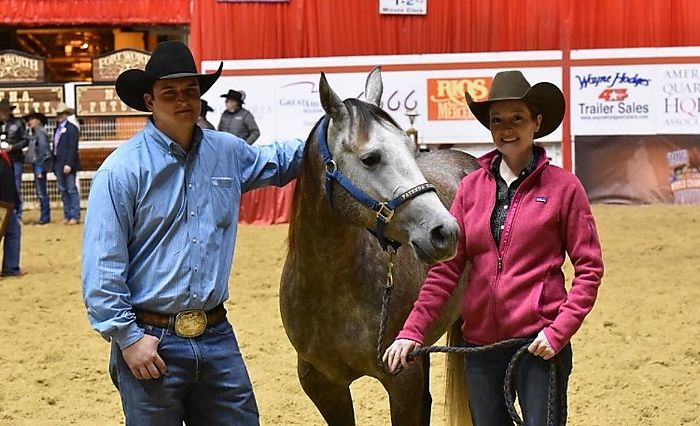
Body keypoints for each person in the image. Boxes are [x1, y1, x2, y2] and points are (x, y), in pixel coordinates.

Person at [81, 40, 304, 425]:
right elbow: (102, 269)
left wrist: (337, 129)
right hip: (150, 340)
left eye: (190, 90)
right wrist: (128, 339)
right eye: (169, 93)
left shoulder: (228, 152)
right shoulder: (121, 171)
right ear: (149, 100)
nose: (183, 100)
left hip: (216, 333)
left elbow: (279, 160)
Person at [383, 70, 604, 425]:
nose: (506, 129)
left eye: (517, 118)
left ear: (537, 122)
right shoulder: (470, 189)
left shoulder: (565, 188)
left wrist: (558, 330)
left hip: (539, 346)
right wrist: (412, 331)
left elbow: (589, 270)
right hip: (480, 348)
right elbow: (446, 270)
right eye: (497, 120)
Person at [53, 102, 80, 225]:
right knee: (63, 190)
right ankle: (67, 214)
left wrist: (69, 163)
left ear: (66, 114)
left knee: (71, 189)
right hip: (58, 163)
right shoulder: (56, 129)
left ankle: (75, 215)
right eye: (58, 114)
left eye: (61, 113)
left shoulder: (72, 129)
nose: (59, 116)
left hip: (68, 164)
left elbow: (73, 148)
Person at [0, 147, 25, 277]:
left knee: (13, 230)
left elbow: (10, 181)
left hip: (6, 204)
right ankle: (10, 267)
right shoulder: (3, 157)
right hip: (4, 204)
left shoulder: (4, 156)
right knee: (13, 231)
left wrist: (15, 201)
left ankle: (10, 267)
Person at [0, 98, 27, 218]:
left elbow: (25, 140)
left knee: (15, 186)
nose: (3, 113)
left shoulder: (18, 123)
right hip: (1, 160)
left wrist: (13, 147)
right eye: (1, 110)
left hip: (15, 159)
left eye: (5, 110)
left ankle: (16, 213)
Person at [24, 111, 53, 224]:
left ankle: (44, 217)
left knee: (41, 192)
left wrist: (40, 168)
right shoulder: (37, 132)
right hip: (37, 164)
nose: (30, 122)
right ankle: (44, 216)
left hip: (39, 164)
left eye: (32, 119)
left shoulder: (40, 132)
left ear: (38, 121)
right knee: (40, 191)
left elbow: (43, 151)